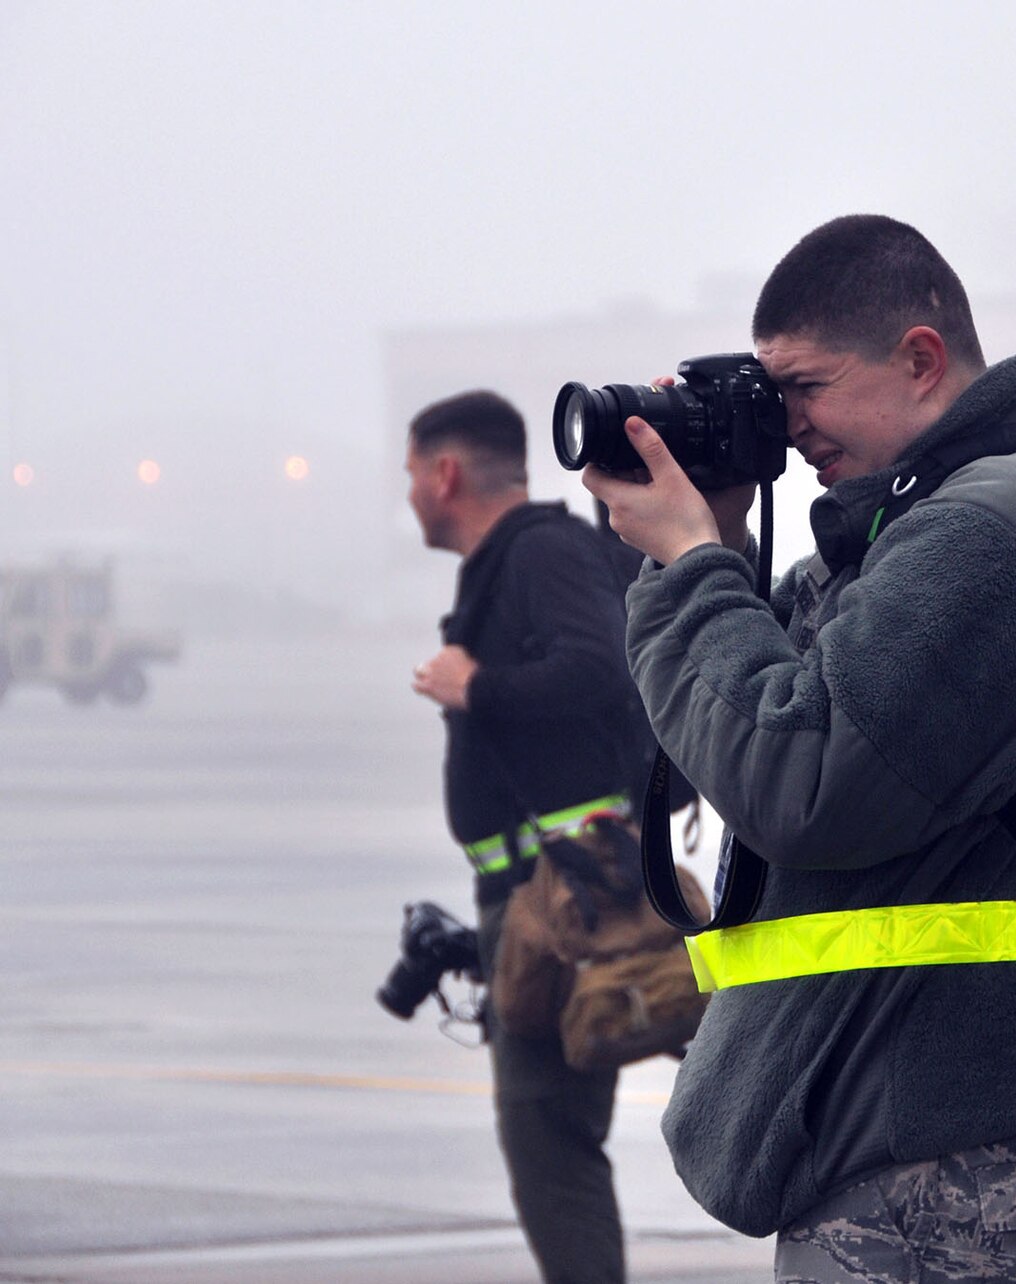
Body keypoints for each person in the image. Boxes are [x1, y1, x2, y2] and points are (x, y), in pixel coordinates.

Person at [583, 214, 1016, 1283]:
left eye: (803, 386)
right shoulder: (922, 518)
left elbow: (799, 784)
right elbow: (770, 708)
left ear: (920, 360)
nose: (784, 423)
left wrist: (684, 566)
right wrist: (709, 533)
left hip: (959, 1159)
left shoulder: (995, 527)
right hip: (913, 1128)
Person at [404, 389, 634, 1284]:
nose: (414, 493)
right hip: (529, 893)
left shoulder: (539, 550)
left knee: (549, 1139)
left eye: (415, 474)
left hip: (560, 900)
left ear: (446, 473)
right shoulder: (514, 558)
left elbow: (599, 666)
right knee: (545, 1137)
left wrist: (478, 687)